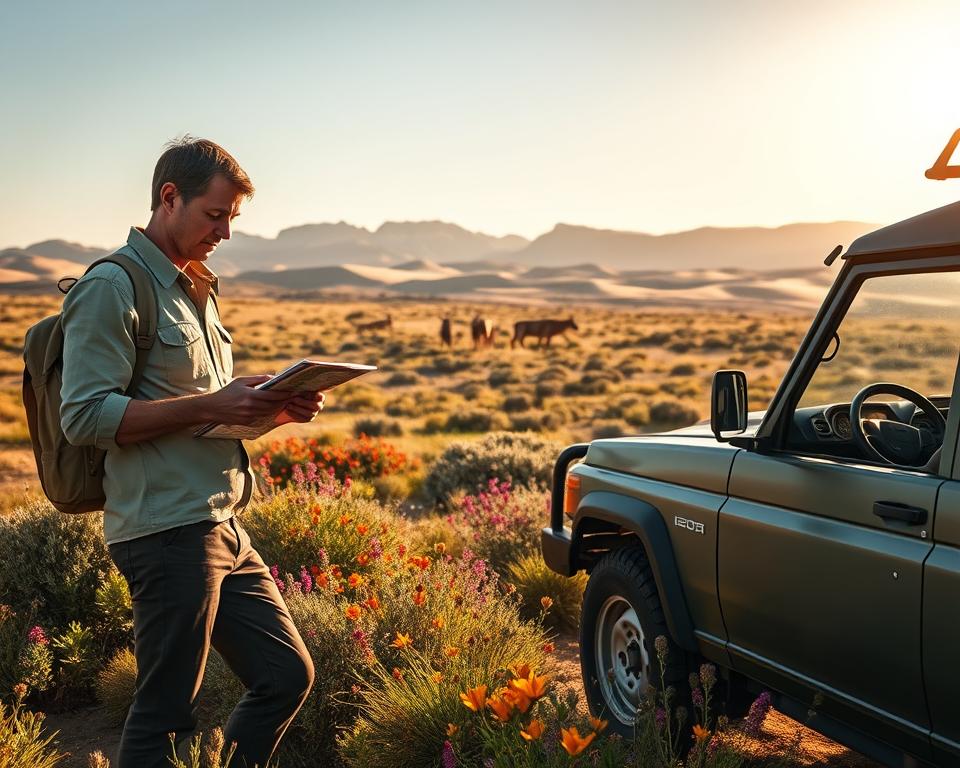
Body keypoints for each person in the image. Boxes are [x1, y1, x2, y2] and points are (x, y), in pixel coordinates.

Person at [59, 137, 321, 768]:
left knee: (286, 675)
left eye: (233, 218)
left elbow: (201, 409)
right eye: (215, 215)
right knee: (164, 717)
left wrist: (266, 408)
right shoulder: (113, 286)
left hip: (223, 524)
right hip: (165, 531)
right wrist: (211, 405)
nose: (225, 232)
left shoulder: (194, 290)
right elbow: (84, 415)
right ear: (168, 198)